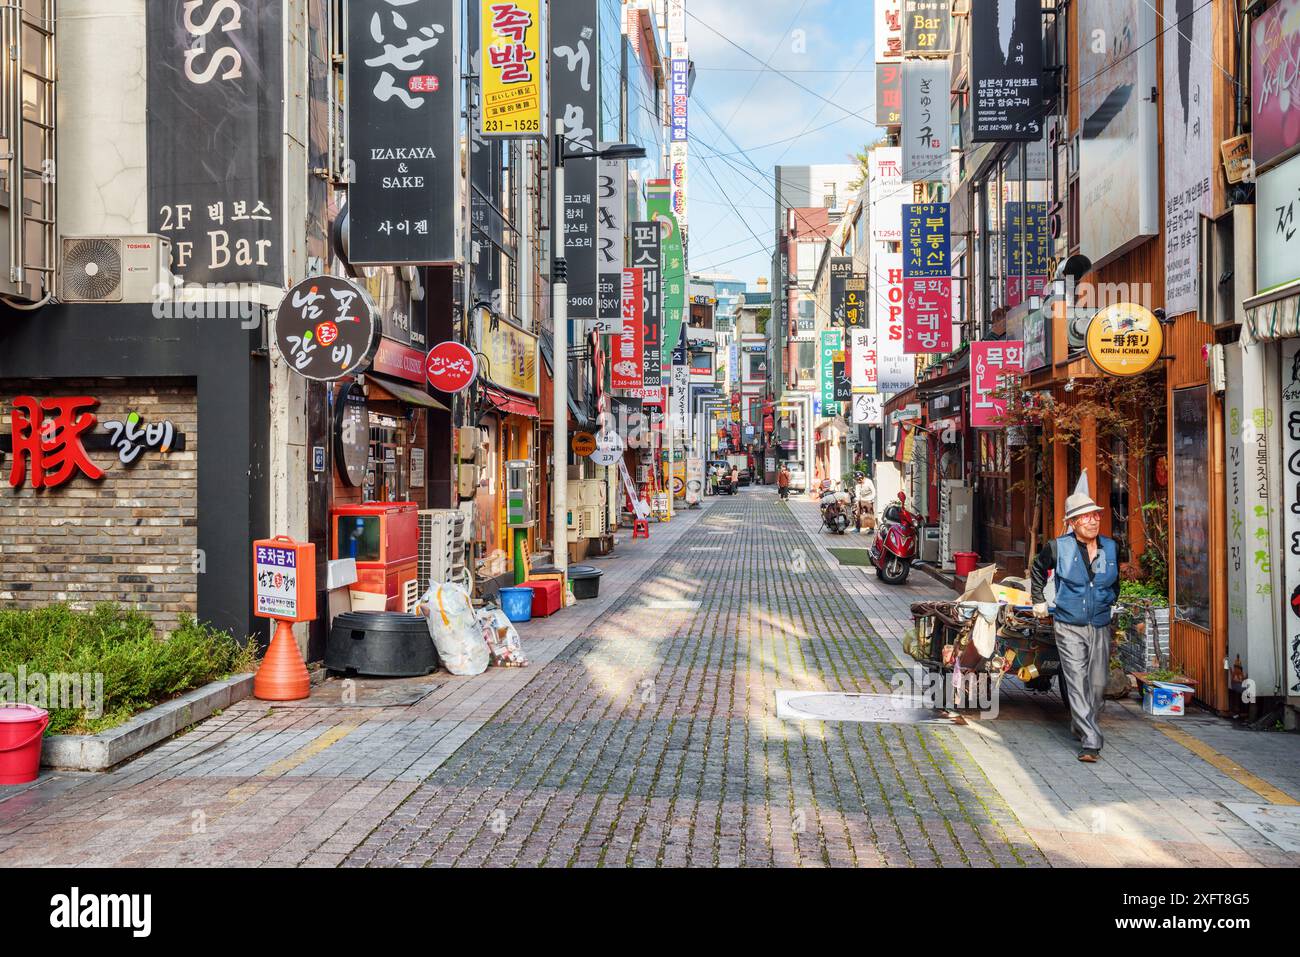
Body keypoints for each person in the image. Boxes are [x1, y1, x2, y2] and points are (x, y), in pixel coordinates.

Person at [1030, 470, 1118, 763]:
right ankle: (1091, 742)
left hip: (1101, 623)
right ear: (1072, 523)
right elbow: (1038, 569)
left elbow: (1114, 582)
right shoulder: (1058, 547)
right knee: (1077, 678)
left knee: (1097, 682)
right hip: (1068, 623)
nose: (1092, 520)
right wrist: (1039, 600)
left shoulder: (1112, 547)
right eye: (1085, 517)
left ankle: (1082, 724)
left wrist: (1111, 601)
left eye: (1095, 515)